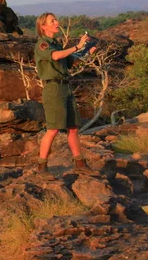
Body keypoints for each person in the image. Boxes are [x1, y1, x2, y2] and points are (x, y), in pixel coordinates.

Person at [34, 12, 99, 180]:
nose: (57, 22)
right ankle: (41, 167)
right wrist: (77, 46)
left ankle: (80, 164)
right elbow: (55, 56)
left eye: (56, 19)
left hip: (65, 87)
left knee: (73, 128)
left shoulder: (56, 44)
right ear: (44, 26)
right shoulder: (43, 44)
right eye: (52, 21)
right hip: (53, 89)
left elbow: (70, 61)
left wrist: (87, 51)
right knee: (53, 129)